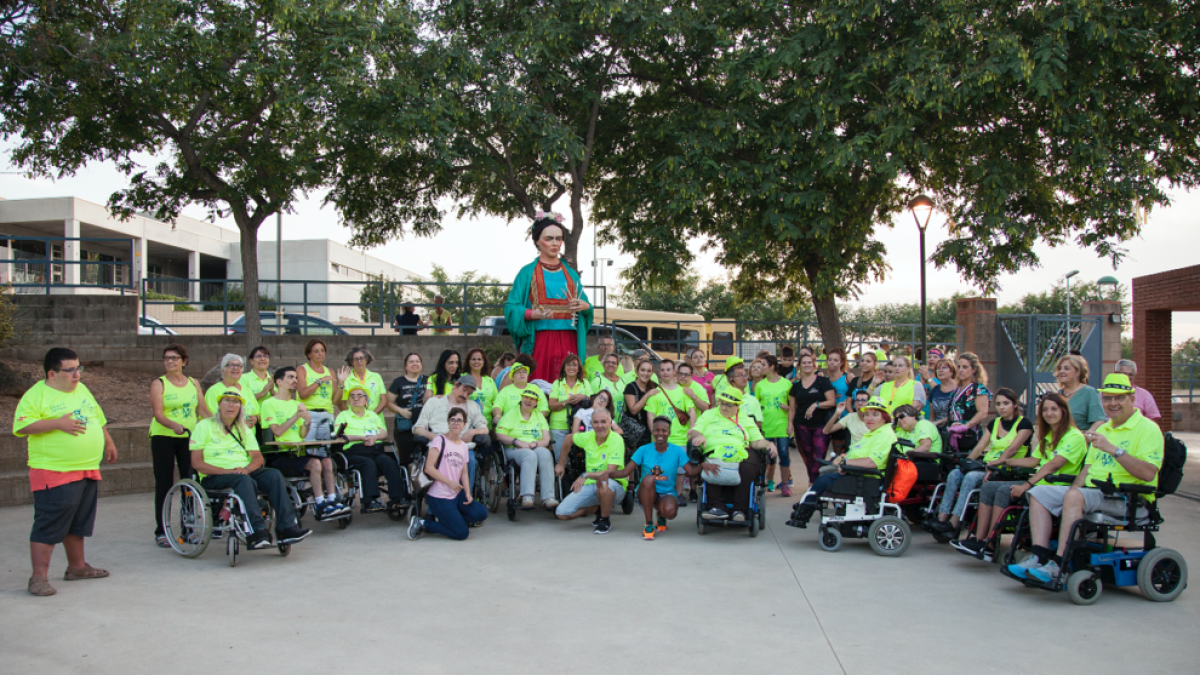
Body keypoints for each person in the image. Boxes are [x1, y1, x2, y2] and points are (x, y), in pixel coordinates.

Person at [1008, 374, 1164, 583]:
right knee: (1038, 493)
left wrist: (1114, 450)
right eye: (1108, 398)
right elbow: (1086, 470)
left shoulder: (1148, 429)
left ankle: (1059, 564)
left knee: (1074, 497)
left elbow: (1148, 473)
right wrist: (1072, 491)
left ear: (1132, 399)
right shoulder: (1104, 429)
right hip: (1095, 493)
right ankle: (1039, 556)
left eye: (1119, 398)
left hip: (1127, 498)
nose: (1113, 403)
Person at [18, 348, 118, 596]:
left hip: (86, 468)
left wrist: (108, 441)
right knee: (50, 521)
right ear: (52, 373)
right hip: (54, 470)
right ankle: (38, 577)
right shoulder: (36, 395)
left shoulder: (81, 390)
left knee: (78, 522)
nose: (77, 375)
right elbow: (23, 425)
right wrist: (57, 423)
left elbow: (96, 416)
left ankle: (77, 568)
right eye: (70, 370)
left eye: (79, 368)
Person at [952, 392, 1087, 560]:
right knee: (988, 487)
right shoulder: (1048, 435)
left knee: (1002, 490)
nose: (1049, 413)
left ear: (1064, 411)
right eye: (1045, 410)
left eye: (1054, 409)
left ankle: (990, 542)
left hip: (1056, 486)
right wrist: (1004, 462)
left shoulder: (1074, 436)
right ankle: (979, 540)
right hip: (1040, 482)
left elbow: (1053, 466)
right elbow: (1033, 460)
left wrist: (1027, 485)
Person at [190, 390, 311, 550]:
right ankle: (257, 531)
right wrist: (230, 472)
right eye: (226, 401)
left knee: (274, 475)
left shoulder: (243, 429)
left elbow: (257, 458)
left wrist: (246, 469)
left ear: (240, 407)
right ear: (219, 405)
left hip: (242, 472)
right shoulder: (204, 426)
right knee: (243, 480)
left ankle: (286, 529)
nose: (231, 405)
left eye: (235, 402)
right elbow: (197, 463)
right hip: (215, 475)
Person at [927, 387, 1032, 537]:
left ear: (1015, 404)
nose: (1001, 407)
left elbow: (1012, 450)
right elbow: (980, 446)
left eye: (1006, 403)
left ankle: (954, 523)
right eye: (998, 404)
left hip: (1006, 468)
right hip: (987, 465)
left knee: (970, 478)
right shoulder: (994, 423)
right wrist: (968, 463)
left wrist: (995, 465)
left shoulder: (1024, 424)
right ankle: (941, 518)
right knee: (956, 474)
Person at [503, 212, 594, 382]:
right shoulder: (526, 273)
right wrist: (532, 314)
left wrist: (585, 306)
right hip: (539, 341)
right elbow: (510, 308)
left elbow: (587, 306)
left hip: (569, 340)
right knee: (536, 386)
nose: (555, 243)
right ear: (537, 241)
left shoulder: (571, 274)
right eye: (549, 238)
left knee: (568, 387)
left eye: (559, 239)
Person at [787, 398, 897, 528]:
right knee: (823, 473)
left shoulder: (884, 435)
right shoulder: (874, 433)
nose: (869, 418)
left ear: (885, 417)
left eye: (875, 414)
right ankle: (805, 505)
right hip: (857, 473)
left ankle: (804, 511)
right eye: (867, 414)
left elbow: (871, 462)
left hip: (867, 479)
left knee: (825, 479)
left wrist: (846, 463)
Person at [260, 367, 348, 520]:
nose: (295, 381)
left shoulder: (297, 404)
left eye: (296, 377)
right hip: (281, 455)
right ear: (279, 382)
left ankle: (332, 500)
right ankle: (320, 504)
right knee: (315, 463)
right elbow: (278, 432)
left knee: (327, 462)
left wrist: (307, 422)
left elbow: (302, 435)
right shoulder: (269, 404)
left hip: (299, 452)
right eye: (290, 377)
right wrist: (297, 416)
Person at [149, 343, 209, 548]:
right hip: (164, 436)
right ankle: (162, 531)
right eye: (167, 358)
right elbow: (158, 414)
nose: (170, 361)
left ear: (184, 361)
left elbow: (203, 409)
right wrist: (173, 425)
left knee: (190, 482)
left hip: (189, 438)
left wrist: (218, 424)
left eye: (174, 358)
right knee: (164, 483)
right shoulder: (159, 383)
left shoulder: (194, 383)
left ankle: (188, 528)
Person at [689, 388, 777, 522]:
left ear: (738, 405)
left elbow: (756, 441)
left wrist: (768, 444)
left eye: (729, 405)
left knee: (747, 467)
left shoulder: (746, 420)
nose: (724, 407)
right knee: (712, 464)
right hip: (716, 451)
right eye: (722, 403)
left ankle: (739, 510)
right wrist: (699, 436)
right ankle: (717, 508)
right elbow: (695, 431)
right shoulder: (709, 415)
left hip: (741, 451)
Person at [610, 417, 703, 540]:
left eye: (664, 430)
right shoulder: (643, 450)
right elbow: (625, 471)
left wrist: (703, 466)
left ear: (669, 432)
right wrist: (606, 474)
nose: (660, 433)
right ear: (652, 431)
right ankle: (649, 523)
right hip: (646, 491)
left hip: (666, 492)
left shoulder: (677, 451)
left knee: (670, 512)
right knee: (649, 479)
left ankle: (661, 514)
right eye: (657, 430)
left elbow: (691, 472)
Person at [406, 407, 489, 541]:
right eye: (453, 420)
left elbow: (464, 473)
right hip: (439, 495)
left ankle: (452, 519)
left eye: (459, 421)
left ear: (464, 424)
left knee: (481, 514)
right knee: (462, 533)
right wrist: (449, 482)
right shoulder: (439, 440)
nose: (456, 423)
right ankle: (423, 523)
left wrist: (468, 493)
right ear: (448, 422)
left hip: (456, 493)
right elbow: (429, 468)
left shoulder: (462, 445)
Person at [336, 386, 409, 513]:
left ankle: (398, 499)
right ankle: (370, 501)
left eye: (360, 395)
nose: (356, 398)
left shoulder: (373, 416)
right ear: (348, 401)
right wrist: (360, 437)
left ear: (366, 400)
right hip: (354, 451)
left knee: (389, 462)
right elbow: (339, 436)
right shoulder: (343, 415)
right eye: (352, 396)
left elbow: (384, 432)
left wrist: (375, 437)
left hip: (375, 450)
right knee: (368, 464)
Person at [553, 408, 627, 533]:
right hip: (591, 485)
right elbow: (568, 439)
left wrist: (586, 475)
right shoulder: (588, 436)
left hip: (613, 485)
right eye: (596, 422)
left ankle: (604, 519)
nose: (599, 426)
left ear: (610, 423)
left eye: (603, 422)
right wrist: (561, 464)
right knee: (562, 513)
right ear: (591, 424)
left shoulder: (616, 440)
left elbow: (610, 472)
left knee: (603, 483)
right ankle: (597, 509)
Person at [413, 376, 492, 487]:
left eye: (469, 393)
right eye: (464, 390)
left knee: (470, 460)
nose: (465, 395)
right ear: (455, 385)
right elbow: (418, 428)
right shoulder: (433, 403)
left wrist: (472, 432)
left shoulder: (473, 406)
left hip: (463, 446)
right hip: (439, 446)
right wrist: (436, 438)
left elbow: (485, 429)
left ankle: (465, 496)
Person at [642, 359, 697, 506]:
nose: (665, 372)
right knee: (658, 468)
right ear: (659, 373)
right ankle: (658, 493)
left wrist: (692, 428)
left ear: (674, 372)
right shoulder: (655, 393)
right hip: (660, 438)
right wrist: (653, 433)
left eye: (668, 369)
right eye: (663, 370)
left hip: (679, 437)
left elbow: (691, 411)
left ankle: (678, 494)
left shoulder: (683, 392)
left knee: (680, 469)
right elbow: (650, 415)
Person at [495, 388, 556, 510]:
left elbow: (546, 439)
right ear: (522, 398)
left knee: (545, 454)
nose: (528, 401)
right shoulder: (511, 414)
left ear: (536, 403)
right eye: (526, 397)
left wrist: (536, 443)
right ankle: (527, 496)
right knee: (529, 455)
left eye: (532, 399)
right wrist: (517, 441)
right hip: (514, 448)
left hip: (534, 446)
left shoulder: (539, 416)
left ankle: (548, 497)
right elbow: (499, 434)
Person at [788, 353, 836, 490]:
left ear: (814, 365)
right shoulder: (795, 387)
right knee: (808, 456)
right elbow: (792, 409)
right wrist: (790, 424)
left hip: (821, 425)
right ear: (799, 366)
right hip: (801, 425)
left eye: (809, 362)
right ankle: (813, 484)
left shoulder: (822, 382)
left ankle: (815, 485)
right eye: (804, 363)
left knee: (819, 456)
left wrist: (816, 405)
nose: (807, 365)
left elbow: (832, 402)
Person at [753, 354, 793, 495]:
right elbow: (755, 406)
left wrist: (789, 417)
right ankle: (763, 483)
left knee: (784, 454)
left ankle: (785, 485)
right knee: (766, 456)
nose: (761, 368)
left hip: (782, 425)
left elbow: (792, 405)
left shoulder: (786, 383)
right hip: (766, 425)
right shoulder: (759, 385)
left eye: (763, 365)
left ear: (772, 366)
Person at [549, 354, 593, 455]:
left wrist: (583, 397)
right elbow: (551, 405)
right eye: (568, 365)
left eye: (574, 365)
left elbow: (593, 402)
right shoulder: (557, 383)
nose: (571, 367)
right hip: (559, 427)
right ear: (564, 368)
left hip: (581, 426)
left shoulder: (585, 383)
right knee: (561, 460)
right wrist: (566, 402)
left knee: (579, 460)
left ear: (579, 369)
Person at [386, 353, 426, 464]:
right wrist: (400, 411)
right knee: (407, 459)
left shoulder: (429, 380)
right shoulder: (398, 382)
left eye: (417, 361)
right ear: (405, 366)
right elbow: (388, 403)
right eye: (411, 361)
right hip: (406, 427)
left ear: (421, 364)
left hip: (425, 425)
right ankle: (407, 480)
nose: (415, 364)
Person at [947, 352, 991, 452]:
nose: (961, 370)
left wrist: (966, 426)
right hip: (953, 436)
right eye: (959, 367)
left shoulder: (978, 388)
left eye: (965, 367)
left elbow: (983, 412)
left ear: (974, 369)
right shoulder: (956, 390)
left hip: (969, 435)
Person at [297, 339, 338, 442]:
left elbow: (335, 399)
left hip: (327, 414)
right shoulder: (302, 369)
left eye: (322, 350)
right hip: (309, 414)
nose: (320, 354)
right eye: (316, 351)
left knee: (325, 449)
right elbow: (303, 394)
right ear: (309, 354)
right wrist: (319, 381)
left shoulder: (330, 372)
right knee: (308, 448)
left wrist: (341, 385)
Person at [204, 354, 260, 427]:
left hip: (248, 437)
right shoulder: (214, 391)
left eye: (239, 365)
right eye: (231, 365)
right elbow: (213, 417)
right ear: (222, 370)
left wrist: (256, 418)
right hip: (226, 436)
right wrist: (239, 423)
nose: (235, 368)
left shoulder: (247, 391)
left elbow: (258, 413)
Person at [1055, 354, 1107, 432]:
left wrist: (1087, 435)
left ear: (1078, 372)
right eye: (1060, 368)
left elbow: (1099, 421)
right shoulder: (1058, 395)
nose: (1061, 371)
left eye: (1066, 368)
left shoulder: (1089, 393)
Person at [336, 347, 387, 414]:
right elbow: (340, 403)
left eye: (361, 358)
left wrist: (372, 416)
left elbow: (384, 401)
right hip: (354, 421)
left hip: (376, 420)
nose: (359, 361)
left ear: (366, 359)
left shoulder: (376, 377)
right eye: (356, 359)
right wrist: (353, 418)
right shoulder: (346, 378)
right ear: (352, 362)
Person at [822, 389, 873, 453]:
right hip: (852, 455)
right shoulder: (850, 417)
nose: (860, 403)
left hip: (869, 455)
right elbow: (826, 431)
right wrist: (837, 414)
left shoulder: (875, 420)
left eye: (863, 400)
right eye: (857, 400)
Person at [623, 359, 659, 447]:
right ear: (636, 371)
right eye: (642, 370)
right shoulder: (630, 387)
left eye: (648, 371)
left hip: (652, 429)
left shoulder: (655, 386)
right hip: (636, 432)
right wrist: (647, 395)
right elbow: (633, 410)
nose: (645, 373)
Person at [464, 348, 499, 428]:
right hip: (469, 424)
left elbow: (496, 402)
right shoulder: (463, 378)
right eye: (473, 359)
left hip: (488, 424)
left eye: (479, 359)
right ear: (468, 362)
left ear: (483, 362)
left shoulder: (489, 380)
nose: (476, 362)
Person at [923, 358, 959, 428]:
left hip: (955, 428)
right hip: (938, 430)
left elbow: (958, 413)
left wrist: (938, 422)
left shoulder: (959, 389)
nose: (940, 370)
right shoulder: (935, 390)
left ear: (952, 371)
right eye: (938, 368)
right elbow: (932, 417)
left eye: (944, 368)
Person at [590, 353, 626, 423]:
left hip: (622, 423)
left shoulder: (623, 381)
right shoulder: (597, 381)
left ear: (617, 366)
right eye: (608, 362)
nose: (611, 364)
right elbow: (592, 404)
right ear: (603, 364)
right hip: (604, 423)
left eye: (614, 363)